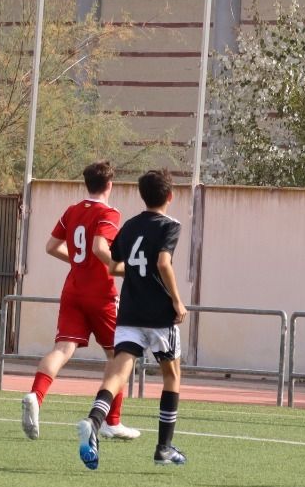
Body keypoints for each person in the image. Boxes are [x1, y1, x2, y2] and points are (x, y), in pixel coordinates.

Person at [76, 169, 187, 470]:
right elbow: (164, 262)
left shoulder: (129, 226)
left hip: (130, 312)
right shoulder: (170, 225)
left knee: (118, 373)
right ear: (170, 196)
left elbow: (114, 267)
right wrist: (177, 300)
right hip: (159, 315)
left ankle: (94, 421)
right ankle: (163, 448)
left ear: (142, 195)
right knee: (171, 377)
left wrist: (138, 272)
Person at [21, 160, 138, 441]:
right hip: (100, 293)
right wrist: (117, 267)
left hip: (72, 288)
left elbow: (51, 246)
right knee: (119, 356)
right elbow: (99, 246)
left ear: (87, 184)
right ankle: (112, 421)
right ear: (109, 185)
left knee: (62, 349)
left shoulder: (72, 211)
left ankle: (36, 395)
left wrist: (76, 260)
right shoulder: (109, 212)